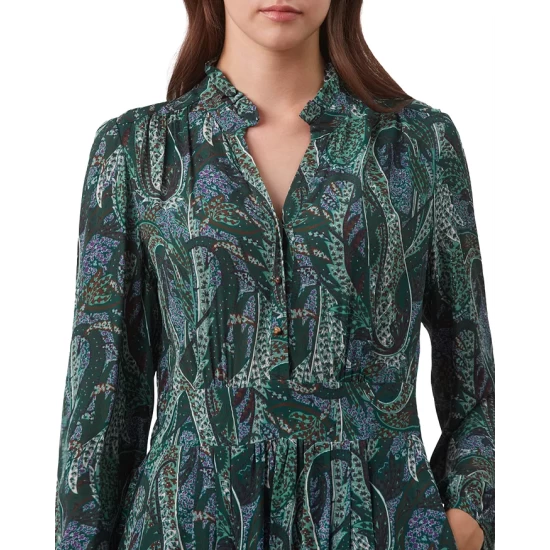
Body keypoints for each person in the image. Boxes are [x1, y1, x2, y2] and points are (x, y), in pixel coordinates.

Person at [55, 1, 495, 549]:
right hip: (189, 528)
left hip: (378, 524)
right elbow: (101, 394)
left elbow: (472, 370)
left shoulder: (418, 144)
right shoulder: (136, 151)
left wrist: (471, 514)